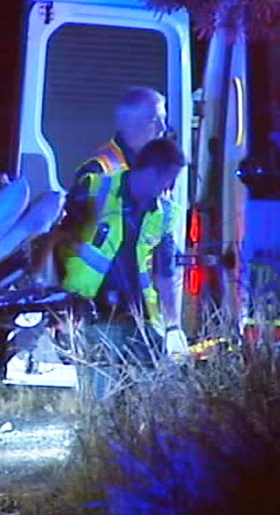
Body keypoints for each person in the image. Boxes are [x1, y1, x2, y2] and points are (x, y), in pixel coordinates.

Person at [57, 138, 189, 393]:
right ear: (150, 172)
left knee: (154, 391)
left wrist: (173, 325)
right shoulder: (95, 189)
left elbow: (165, 273)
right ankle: (98, 432)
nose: (170, 186)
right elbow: (57, 242)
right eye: (169, 178)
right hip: (91, 308)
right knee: (100, 393)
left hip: (138, 312)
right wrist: (58, 306)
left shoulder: (165, 213)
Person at [73, 86, 167, 187]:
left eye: (163, 119)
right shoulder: (97, 170)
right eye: (152, 120)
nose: (162, 128)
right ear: (128, 123)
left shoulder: (159, 167)